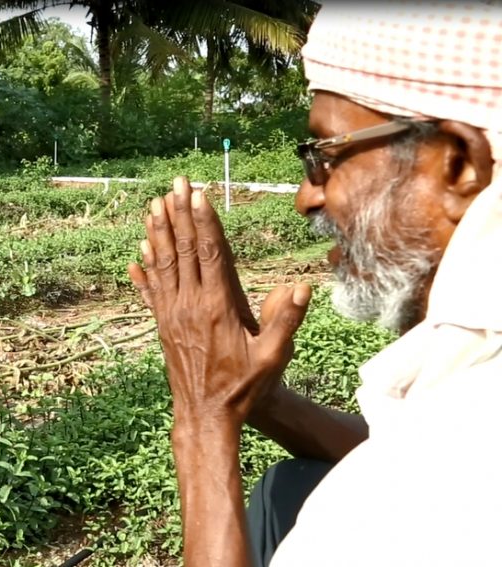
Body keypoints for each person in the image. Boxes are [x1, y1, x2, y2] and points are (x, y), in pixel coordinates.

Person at [127, 2, 502, 566]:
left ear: (456, 162)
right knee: (293, 484)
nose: (308, 196)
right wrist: (264, 400)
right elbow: (399, 445)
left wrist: (205, 419)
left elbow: (436, 464)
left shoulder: (449, 469)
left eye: (325, 156)